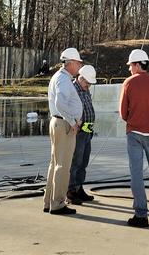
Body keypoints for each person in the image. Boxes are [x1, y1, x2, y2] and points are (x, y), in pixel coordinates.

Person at [119, 47, 149, 228]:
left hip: (135, 133)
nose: (129, 68)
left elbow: (123, 113)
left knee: (136, 173)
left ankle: (141, 214)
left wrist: (134, 119)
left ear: (137, 65)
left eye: (130, 65)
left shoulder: (129, 83)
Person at [43, 46, 84, 215]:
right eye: (78, 63)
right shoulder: (64, 80)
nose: (80, 66)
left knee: (55, 164)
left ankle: (49, 201)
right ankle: (58, 203)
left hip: (58, 123)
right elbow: (60, 103)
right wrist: (72, 121)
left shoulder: (59, 77)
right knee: (63, 165)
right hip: (63, 124)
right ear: (70, 63)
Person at [67, 63, 97, 205]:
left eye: (90, 83)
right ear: (81, 78)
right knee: (75, 162)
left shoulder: (85, 90)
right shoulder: (73, 89)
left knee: (83, 162)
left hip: (87, 130)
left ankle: (79, 188)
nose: (89, 86)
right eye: (87, 83)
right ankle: (70, 191)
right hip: (78, 132)